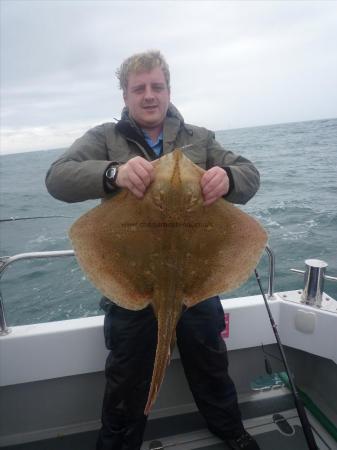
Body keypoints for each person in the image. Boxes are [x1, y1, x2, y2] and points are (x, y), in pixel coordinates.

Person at [46, 50, 261, 450]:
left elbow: (250, 175)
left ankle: (231, 432)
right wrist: (114, 172)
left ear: (168, 90)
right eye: (139, 88)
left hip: (197, 281)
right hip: (132, 282)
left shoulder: (200, 138)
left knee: (212, 365)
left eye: (156, 86)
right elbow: (57, 178)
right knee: (126, 378)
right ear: (125, 95)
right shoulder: (104, 139)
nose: (149, 95)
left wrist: (229, 179)